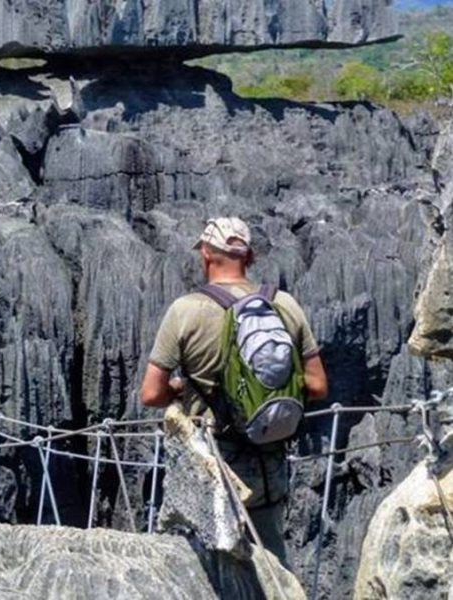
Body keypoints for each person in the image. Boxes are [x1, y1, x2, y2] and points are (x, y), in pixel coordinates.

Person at [140, 216, 328, 566]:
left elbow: (151, 394)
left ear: (207, 255)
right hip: (268, 463)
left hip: (211, 465)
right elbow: (317, 387)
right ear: (249, 257)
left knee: (210, 568)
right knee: (270, 566)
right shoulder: (285, 304)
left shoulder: (185, 311)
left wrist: (182, 386)